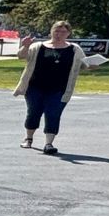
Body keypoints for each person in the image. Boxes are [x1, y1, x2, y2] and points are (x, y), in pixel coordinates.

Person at [13, 21, 88, 154]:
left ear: (68, 34)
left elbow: (84, 65)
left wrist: (92, 65)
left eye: (63, 32)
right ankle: (28, 138)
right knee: (34, 112)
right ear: (51, 32)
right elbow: (22, 56)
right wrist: (25, 46)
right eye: (57, 31)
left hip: (60, 89)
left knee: (53, 114)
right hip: (34, 87)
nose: (59, 34)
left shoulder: (75, 49)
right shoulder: (38, 47)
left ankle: (49, 144)